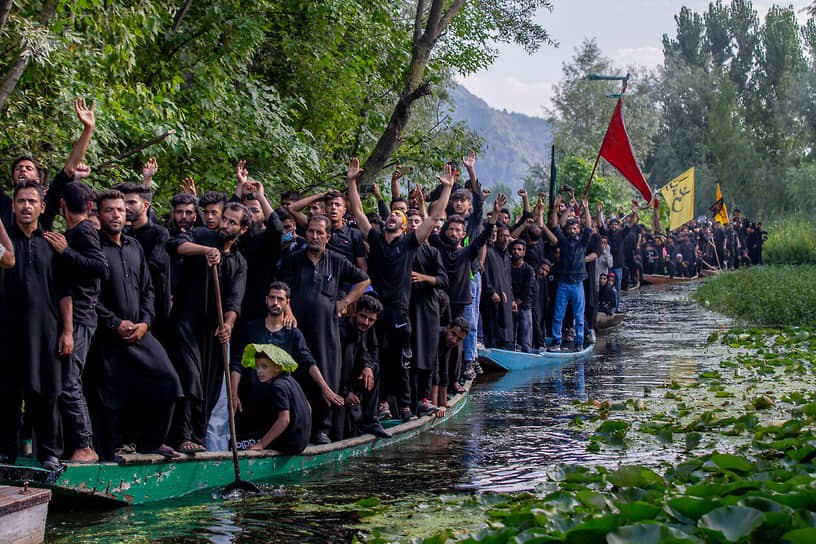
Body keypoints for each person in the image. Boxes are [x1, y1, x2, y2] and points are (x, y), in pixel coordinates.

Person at [345, 158, 452, 422]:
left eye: (398, 216)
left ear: (404, 226)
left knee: (401, 360)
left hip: (399, 310)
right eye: (391, 214)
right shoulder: (376, 239)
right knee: (376, 356)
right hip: (376, 308)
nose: (393, 215)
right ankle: (379, 405)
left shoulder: (409, 243)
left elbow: (436, 217)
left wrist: (447, 187)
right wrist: (352, 182)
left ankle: (405, 406)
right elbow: (358, 212)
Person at [90, 190, 183, 460]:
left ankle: (151, 441)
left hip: (140, 332)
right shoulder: (94, 248)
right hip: (107, 334)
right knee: (108, 399)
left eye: (120, 210)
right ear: (99, 213)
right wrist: (115, 323)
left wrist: (144, 323)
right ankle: (105, 453)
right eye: (109, 210)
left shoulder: (134, 246)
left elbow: (148, 289)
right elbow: (88, 296)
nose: (116, 215)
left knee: (169, 381)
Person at [0, 181, 72, 470]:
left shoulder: (53, 243)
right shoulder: (5, 247)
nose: (26, 206)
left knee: (47, 395)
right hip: (7, 332)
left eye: (32, 201)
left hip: (46, 332)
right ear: (13, 206)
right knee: (6, 394)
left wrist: (67, 331)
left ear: (42, 207)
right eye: (21, 201)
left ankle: (50, 452)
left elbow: (65, 292)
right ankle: (5, 452)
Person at [279, 214, 369, 444]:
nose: (314, 236)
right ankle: (297, 427)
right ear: (305, 233)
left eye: (320, 233)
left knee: (327, 376)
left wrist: (345, 301)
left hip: (326, 332)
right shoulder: (294, 259)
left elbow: (364, 280)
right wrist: (287, 310)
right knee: (296, 375)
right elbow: (283, 288)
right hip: (297, 329)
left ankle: (322, 429)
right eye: (311, 231)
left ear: (328, 237)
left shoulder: (337, 260)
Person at [166, 202, 249, 453]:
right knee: (190, 379)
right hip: (186, 324)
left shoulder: (240, 262)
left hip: (213, 332)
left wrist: (229, 325)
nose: (225, 225)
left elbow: (235, 300)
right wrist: (204, 250)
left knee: (210, 387)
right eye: (225, 219)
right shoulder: (202, 235)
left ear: (242, 229)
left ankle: (199, 439)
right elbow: (173, 245)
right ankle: (181, 437)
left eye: (232, 222)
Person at [45, 180, 109, 463]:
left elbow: (101, 268)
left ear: (61, 206)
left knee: (70, 381)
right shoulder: (73, 232)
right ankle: (75, 445)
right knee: (64, 381)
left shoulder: (83, 230)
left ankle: (86, 447)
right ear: (91, 205)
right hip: (74, 316)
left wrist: (66, 252)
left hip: (82, 316)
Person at [229, 282, 341, 433]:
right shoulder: (251, 329)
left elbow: (308, 362)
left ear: (287, 303)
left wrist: (325, 388)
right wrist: (233, 395)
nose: (275, 303)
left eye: (280, 299)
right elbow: (237, 363)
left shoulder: (293, 333)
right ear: (266, 300)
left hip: (281, 404)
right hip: (253, 402)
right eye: (272, 298)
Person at [2, 98, 96, 231]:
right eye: (19, 168)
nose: (23, 170)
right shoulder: (3, 204)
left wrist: (88, 129)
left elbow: (69, 168)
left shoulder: (48, 201)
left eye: (28, 168)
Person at [117, 182, 173, 339]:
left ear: (146, 205)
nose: (127, 207)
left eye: (132, 202)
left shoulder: (160, 233)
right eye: (124, 202)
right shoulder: (125, 234)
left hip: (155, 312)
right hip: (128, 308)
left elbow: (155, 266)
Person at [406, 209, 447, 418]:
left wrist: (424, 278)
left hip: (428, 307)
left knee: (428, 354)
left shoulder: (432, 253)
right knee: (408, 354)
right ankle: (406, 404)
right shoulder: (401, 248)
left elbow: (443, 280)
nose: (413, 225)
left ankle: (424, 399)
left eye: (417, 221)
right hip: (406, 307)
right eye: (410, 221)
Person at [235, 344, 311, 455]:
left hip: (291, 445)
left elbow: (284, 419)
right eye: (257, 366)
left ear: (278, 367)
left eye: (264, 367)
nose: (259, 371)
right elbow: (308, 408)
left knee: (253, 438)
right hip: (302, 442)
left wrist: (261, 444)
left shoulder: (278, 386)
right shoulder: (290, 380)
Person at [338, 294, 391, 439]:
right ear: (354, 312)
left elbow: (364, 353)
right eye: (363, 316)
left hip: (349, 386)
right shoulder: (341, 332)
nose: (365, 322)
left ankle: (370, 420)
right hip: (336, 389)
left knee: (373, 367)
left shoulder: (360, 331)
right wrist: (344, 393)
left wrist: (367, 367)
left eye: (371, 320)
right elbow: (330, 368)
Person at [544, 196, 593, 352]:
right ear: (567, 230)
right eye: (570, 229)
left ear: (578, 230)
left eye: (575, 229)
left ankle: (579, 341)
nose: (572, 231)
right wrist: (562, 207)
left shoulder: (582, 243)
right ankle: (556, 340)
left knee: (579, 315)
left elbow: (589, 228)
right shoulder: (563, 241)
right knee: (558, 314)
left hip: (578, 283)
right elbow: (555, 224)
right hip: (563, 283)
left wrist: (585, 208)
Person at [481, 224, 513, 350]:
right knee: (492, 325)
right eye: (501, 236)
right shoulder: (489, 252)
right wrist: (492, 291)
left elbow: (508, 279)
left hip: (505, 296)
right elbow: (485, 274)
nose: (504, 239)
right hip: (491, 296)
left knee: (505, 326)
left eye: (507, 236)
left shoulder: (507, 256)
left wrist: (513, 298)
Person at [434, 317, 470, 412]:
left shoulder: (449, 342)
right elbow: (433, 371)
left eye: (459, 339)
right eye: (453, 334)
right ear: (447, 327)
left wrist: (443, 402)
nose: (454, 340)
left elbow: (444, 369)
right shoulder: (436, 336)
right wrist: (435, 406)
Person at [509, 239, 536, 353]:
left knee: (525, 339)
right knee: (509, 339)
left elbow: (528, 289)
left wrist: (517, 302)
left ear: (524, 252)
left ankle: (527, 355)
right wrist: (511, 301)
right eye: (514, 249)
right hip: (509, 305)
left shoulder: (528, 270)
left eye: (519, 249)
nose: (516, 252)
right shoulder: (507, 266)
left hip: (524, 306)